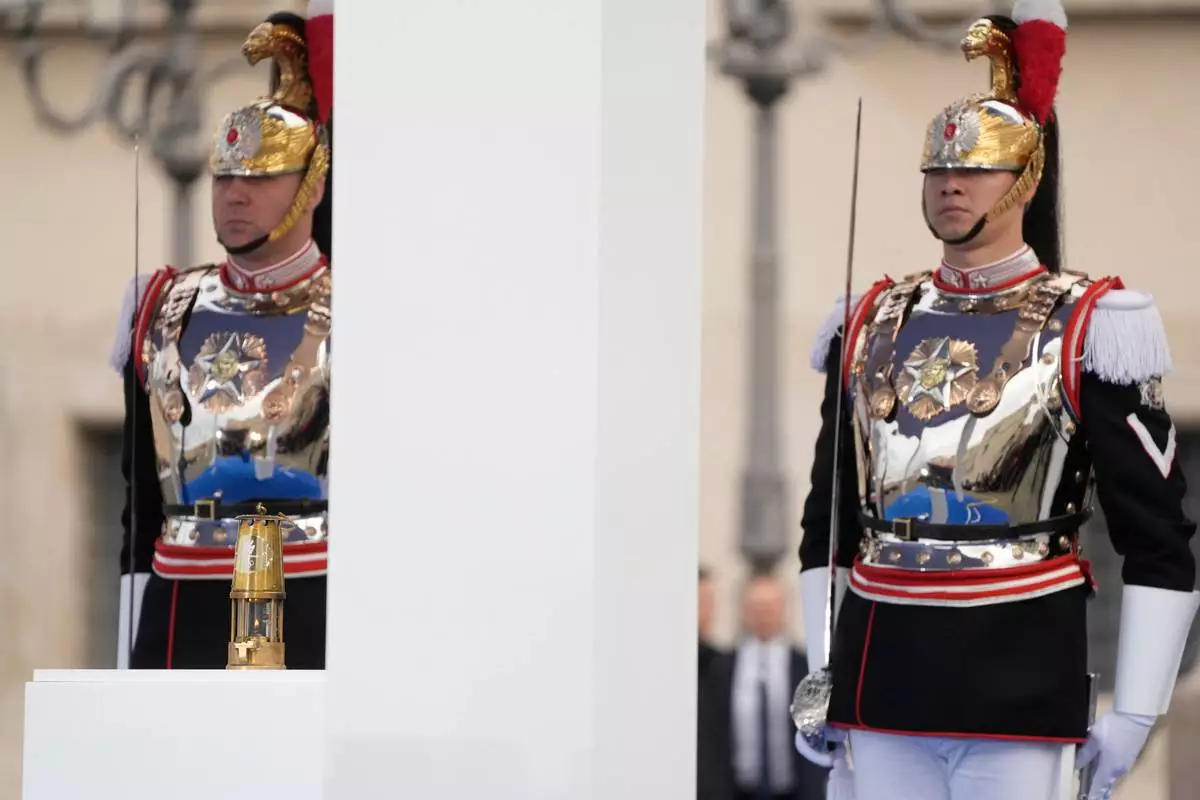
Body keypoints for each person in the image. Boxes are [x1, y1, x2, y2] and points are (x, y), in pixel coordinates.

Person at [792, 2, 1198, 798]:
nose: (951, 185)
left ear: (1025, 178)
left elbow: (1159, 541)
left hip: (1018, 679)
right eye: (940, 170)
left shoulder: (1094, 327)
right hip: (883, 676)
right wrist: (821, 679)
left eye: (976, 169)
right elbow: (827, 527)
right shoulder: (869, 321)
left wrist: (1138, 711)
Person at [110, 2, 335, 670]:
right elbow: (138, 504)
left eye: (261, 179)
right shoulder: (158, 303)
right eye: (226, 177)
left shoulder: (364, 309)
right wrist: (125, 645)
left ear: (312, 186)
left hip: (315, 587)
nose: (236, 195)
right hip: (183, 596)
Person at [726, 573, 826, 800]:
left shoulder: (807, 668)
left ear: (784, 609)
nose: (764, 615)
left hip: (793, 791)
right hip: (738, 791)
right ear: (743, 611)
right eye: (757, 607)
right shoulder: (723, 668)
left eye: (770, 606)